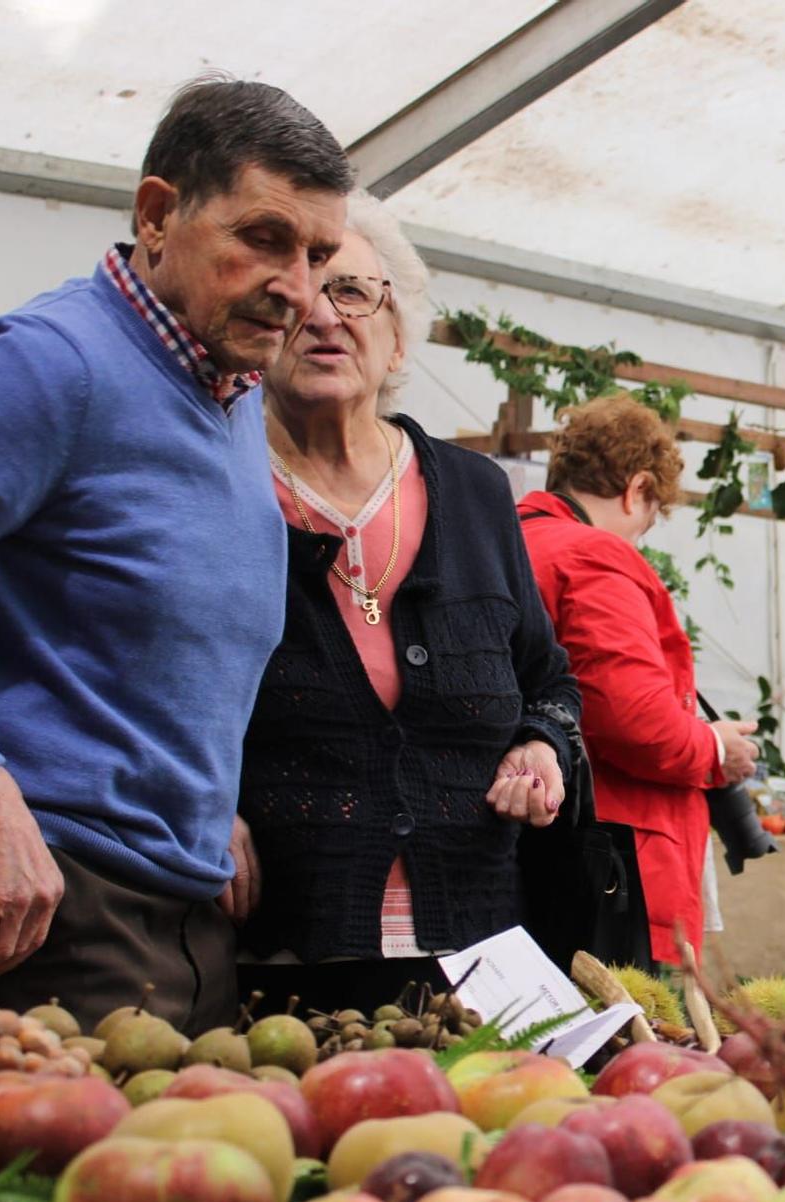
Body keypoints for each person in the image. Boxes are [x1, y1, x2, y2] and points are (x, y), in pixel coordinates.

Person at [0, 79, 352, 1030]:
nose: (298, 288)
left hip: (186, 909)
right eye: (264, 238)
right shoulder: (50, 367)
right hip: (48, 904)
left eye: (318, 255)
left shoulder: (231, 385)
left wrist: (203, 801)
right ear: (158, 214)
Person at [233, 192, 581, 1015]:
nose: (325, 315)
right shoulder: (219, 481)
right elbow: (155, 684)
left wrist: (542, 748)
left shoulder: (473, 493)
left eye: (352, 290)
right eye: (302, 291)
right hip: (282, 959)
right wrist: (201, 804)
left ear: (397, 340)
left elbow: (551, 683)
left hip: (484, 956)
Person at [518, 397, 759, 965]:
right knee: (638, 1044)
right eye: (650, 517)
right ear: (637, 488)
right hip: (615, 865)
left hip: (538, 852)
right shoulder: (594, 555)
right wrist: (713, 747)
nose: (641, 536)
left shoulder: (508, 539)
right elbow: (633, 720)